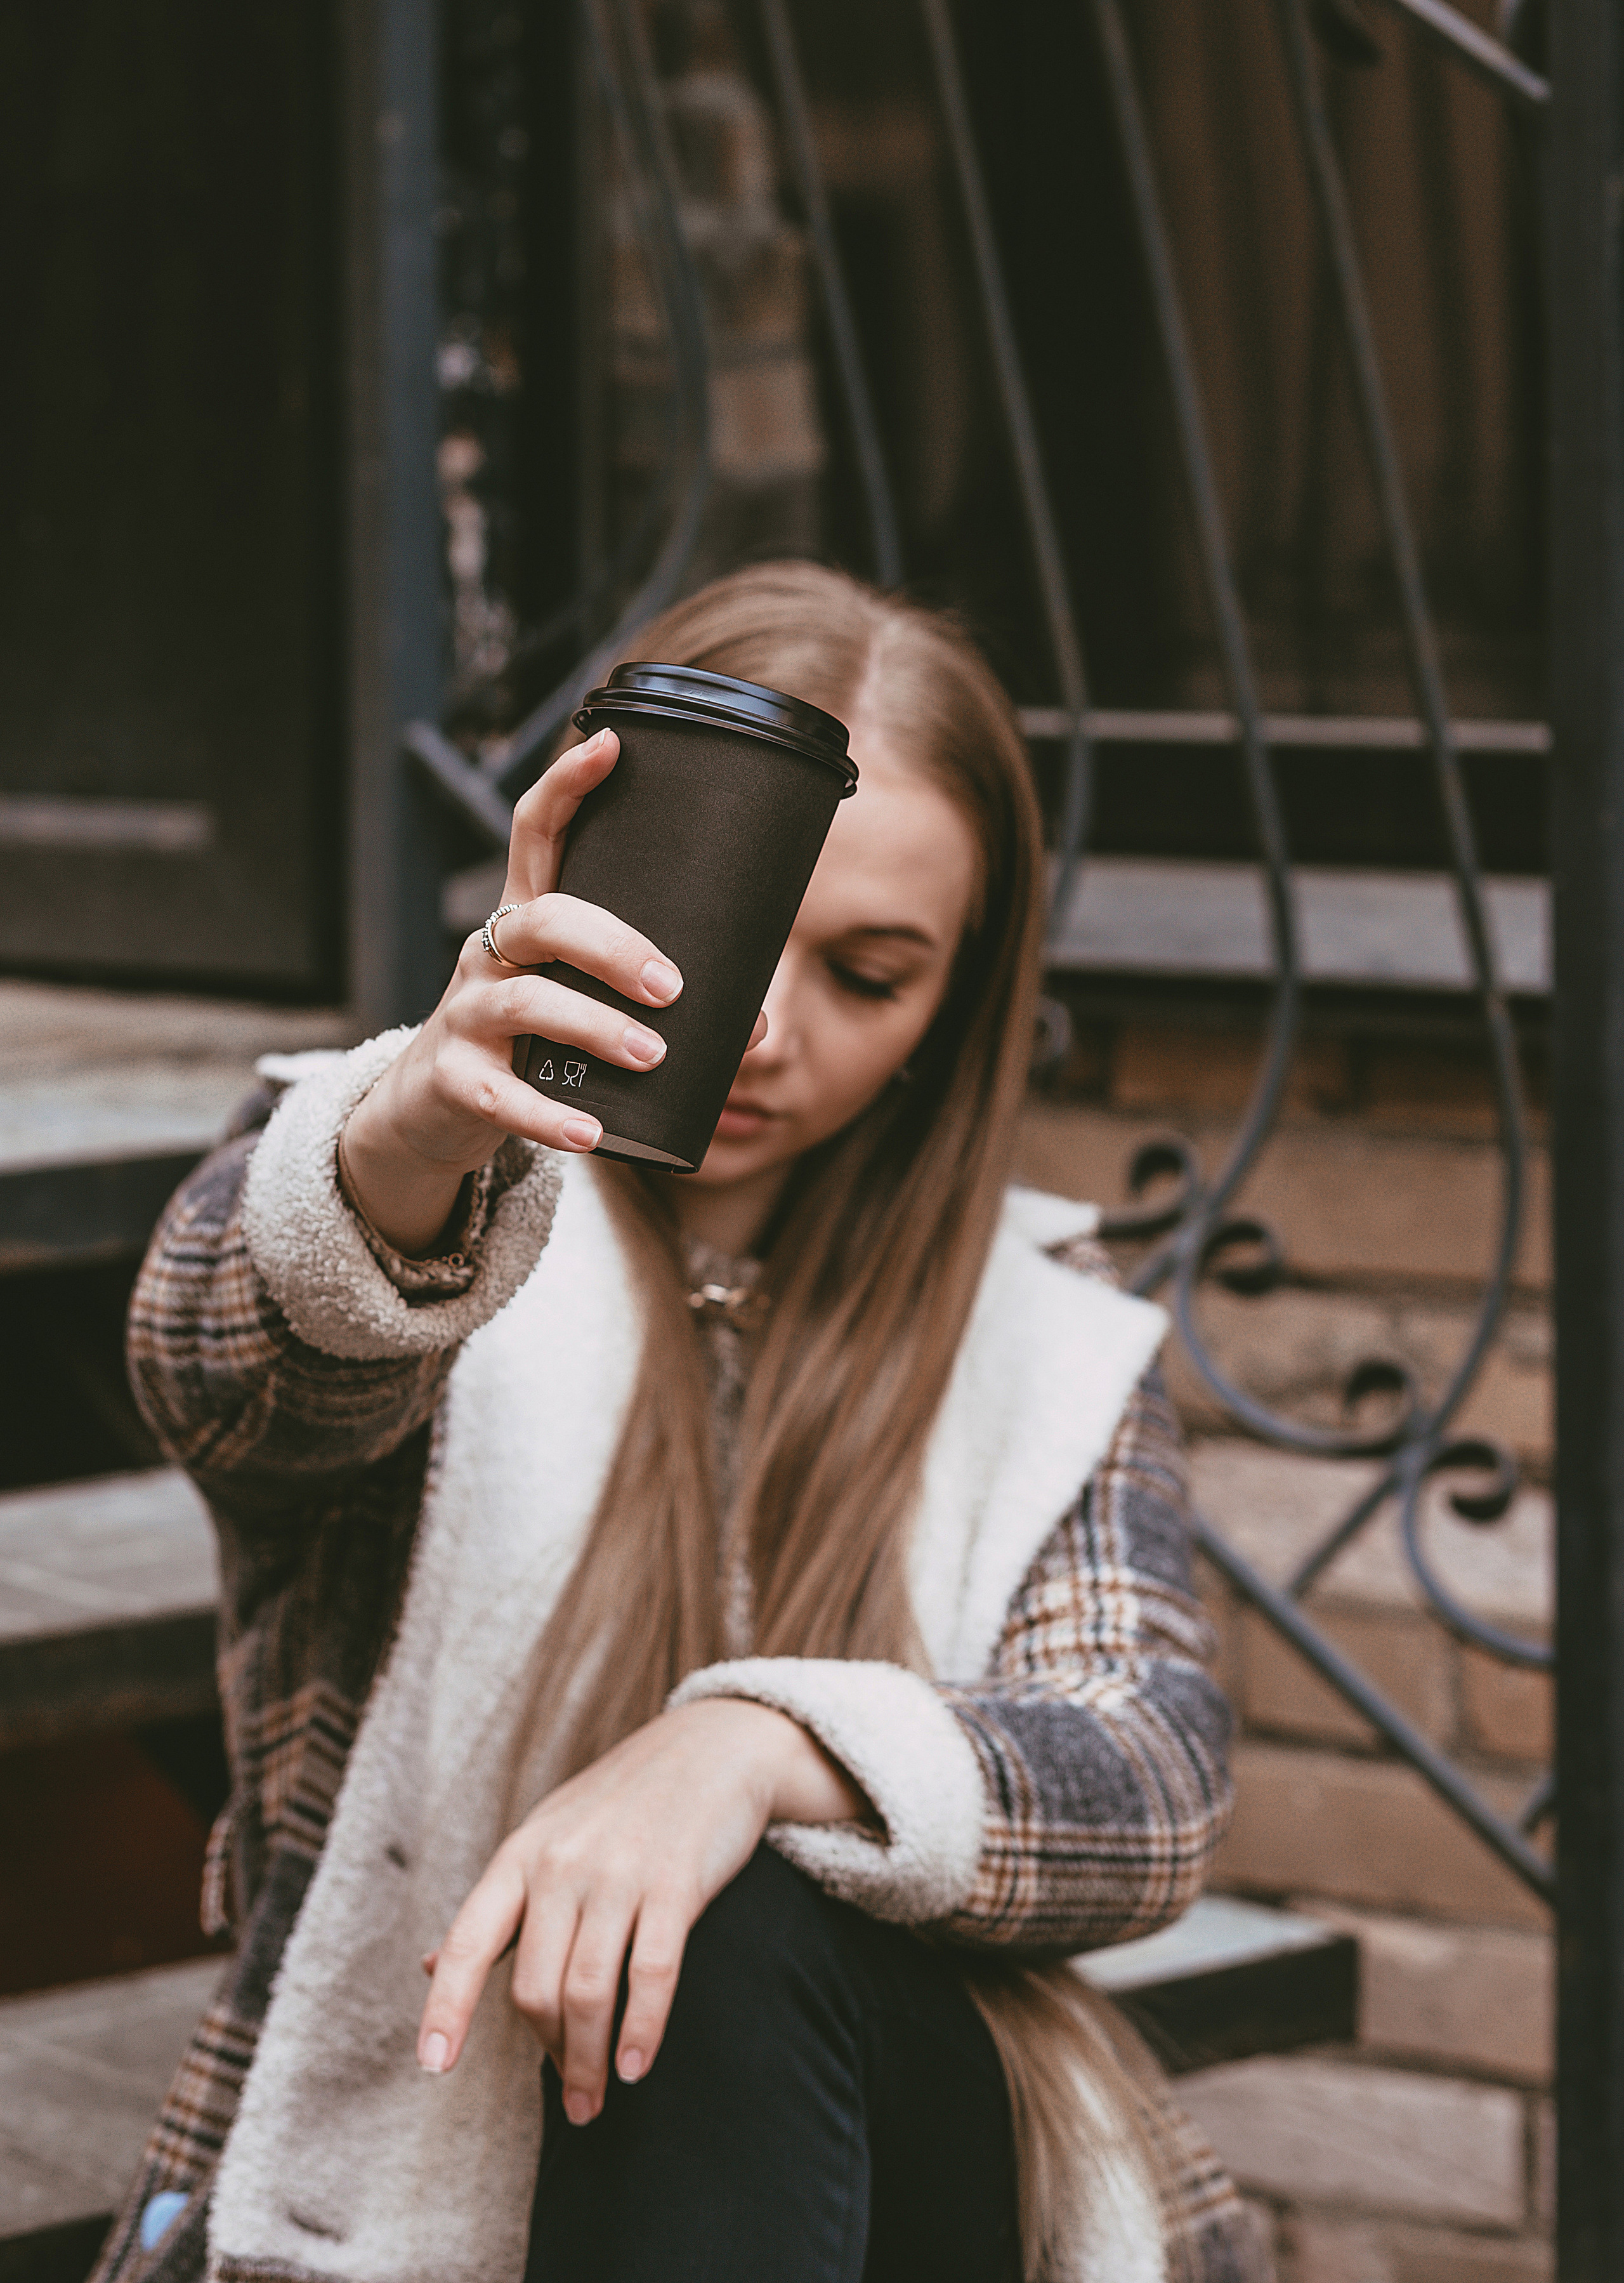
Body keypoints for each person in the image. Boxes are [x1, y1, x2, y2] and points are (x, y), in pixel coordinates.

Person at [96, 562, 1262, 2283]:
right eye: (723, 936)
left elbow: (1154, 1776)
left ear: (962, 1004)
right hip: (429, 2170)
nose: (770, 1036)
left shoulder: (1045, 1325)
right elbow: (225, 1384)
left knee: (743, 1919)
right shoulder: (392, 1210)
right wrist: (413, 1150)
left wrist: (749, 1751)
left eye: (870, 974)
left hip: (904, 2179)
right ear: (583, 872)